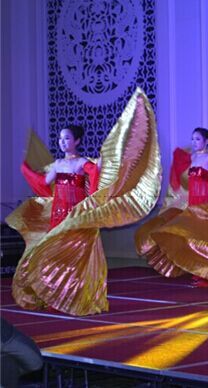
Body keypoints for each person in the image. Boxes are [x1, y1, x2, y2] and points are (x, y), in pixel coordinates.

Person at [7, 89, 162, 315]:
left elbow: (97, 180)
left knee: (75, 256)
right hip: (58, 214)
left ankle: (74, 296)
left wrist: (102, 167)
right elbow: (43, 183)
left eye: (67, 138)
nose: (62, 142)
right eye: (60, 138)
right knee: (53, 253)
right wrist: (25, 169)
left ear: (77, 141)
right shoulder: (58, 164)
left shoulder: (82, 163)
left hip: (77, 214)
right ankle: (52, 293)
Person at [135, 127, 208, 288]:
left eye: (198, 139)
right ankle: (200, 273)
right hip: (192, 206)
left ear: (207, 141)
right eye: (193, 139)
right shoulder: (191, 158)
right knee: (189, 239)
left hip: (206, 207)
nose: (194, 142)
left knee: (206, 241)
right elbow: (179, 171)